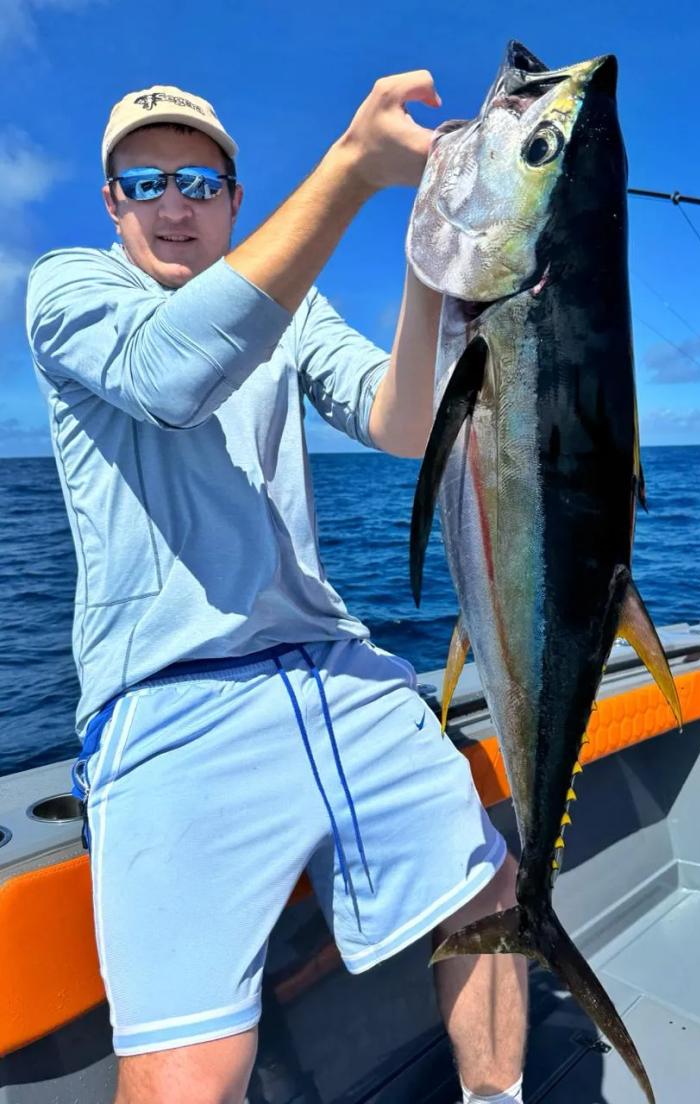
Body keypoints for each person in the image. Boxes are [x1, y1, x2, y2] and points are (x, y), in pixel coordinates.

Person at [25, 78, 528, 1104]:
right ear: (113, 202)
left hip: (339, 670)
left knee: (490, 888)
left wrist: (426, 252)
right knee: (190, 1063)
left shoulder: (297, 314)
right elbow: (171, 376)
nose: (175, 205)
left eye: (199, 181)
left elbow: (399, 424)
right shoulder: (67, 288)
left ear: (234, 199)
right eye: (148, 181)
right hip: (169, 700)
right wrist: (350, 169)